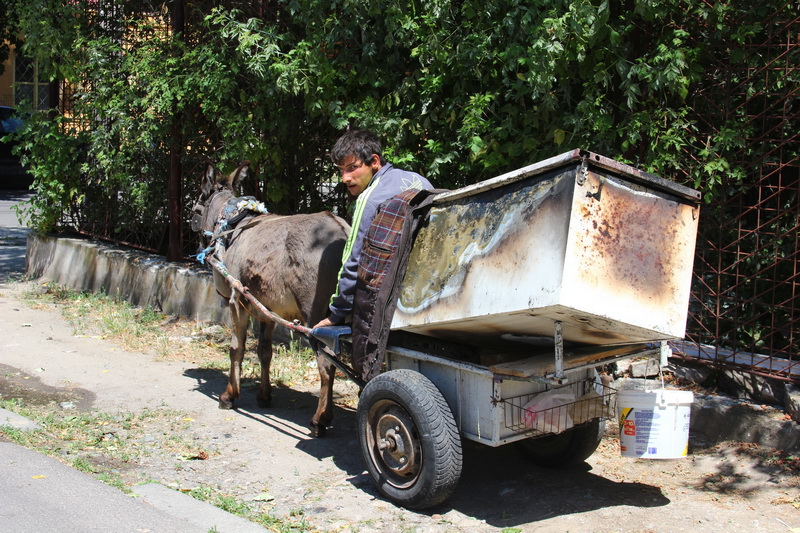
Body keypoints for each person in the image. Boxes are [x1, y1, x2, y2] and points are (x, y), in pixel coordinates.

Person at [313, 129, 433, 329]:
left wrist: (338, 312)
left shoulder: (370, 199)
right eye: (341, 170)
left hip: (388, 301)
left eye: (352, 168)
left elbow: (354, 259)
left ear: (374, 161)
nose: (345, 178)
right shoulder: (419, 180)